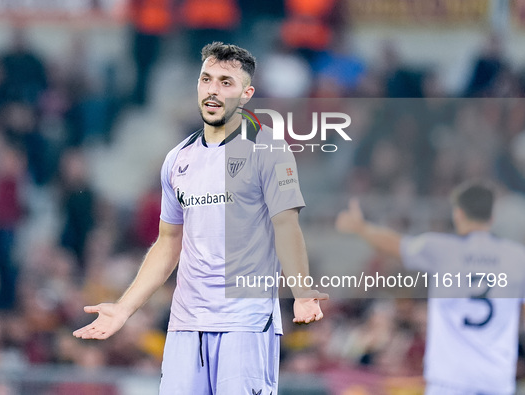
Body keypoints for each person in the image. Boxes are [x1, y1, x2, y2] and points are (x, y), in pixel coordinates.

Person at [73, 42, 327, 394]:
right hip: (185, 325)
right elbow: (168, 242)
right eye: (206, 79)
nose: (213, 89)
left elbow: (286, 225)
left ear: (246, 93)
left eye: (226, 82)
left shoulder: (269, 149)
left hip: (246, 322)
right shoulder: (177, 159)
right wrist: (123, 308)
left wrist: (301, 291)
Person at [335, 180, 525, 395]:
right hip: (496, 378)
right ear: (492, 217)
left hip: (450, 379)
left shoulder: (440, 249)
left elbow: (395, 244)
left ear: (458, 214)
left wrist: (361, 228)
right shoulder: (517, 257)